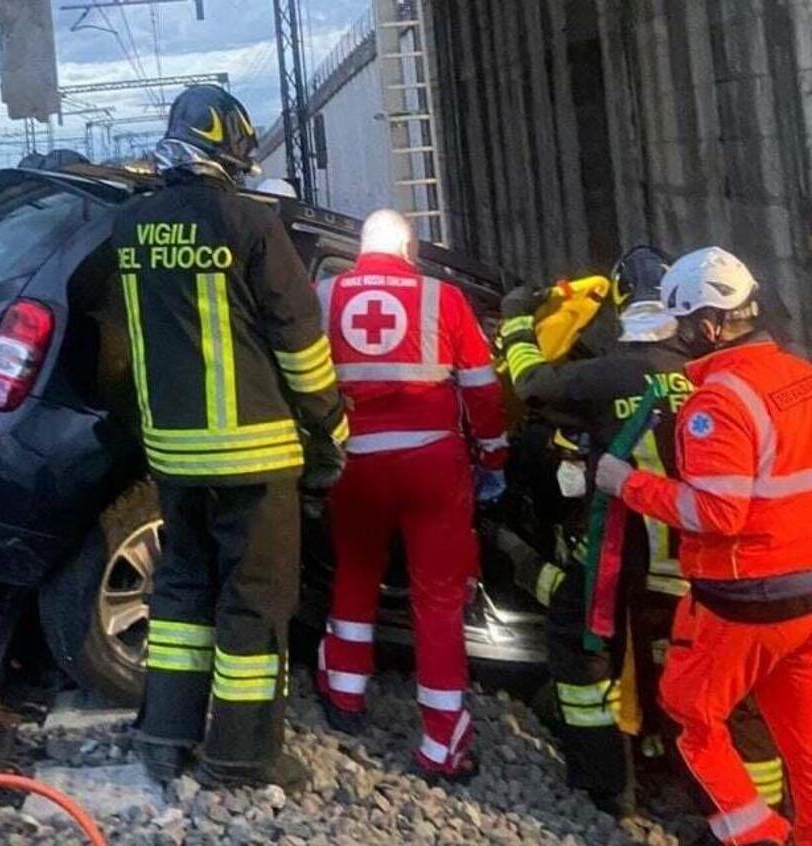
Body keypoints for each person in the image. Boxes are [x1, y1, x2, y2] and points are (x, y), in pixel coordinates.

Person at [112, 84, 349, 790]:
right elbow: (300, 342)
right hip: (255, 451)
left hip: (174, 455)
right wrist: (331, 427)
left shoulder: (131, 227)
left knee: (182, 592)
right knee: (254, 599)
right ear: (229, 151)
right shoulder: (249, 223)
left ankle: (164, 735)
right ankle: (243, 756)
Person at [499, 247, 785, 819]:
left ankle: (608, 784)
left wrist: (515, 321)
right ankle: (761, 807)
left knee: (583, 655)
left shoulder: (608, 374)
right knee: (735, 696)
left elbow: (531, 385)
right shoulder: (713, 377)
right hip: (715, 567)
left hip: (624, 562)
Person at [596, 247, 812, 845]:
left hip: (743, 596)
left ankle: (757, 835)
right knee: (801, 732)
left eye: (686, 324)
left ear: (710, 325)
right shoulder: (801, 377)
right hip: (805, 593)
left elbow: (716, 511)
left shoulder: (717, 402)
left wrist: (628, 483)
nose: (682, 336)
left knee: (692, 713)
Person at [314, 209, 507, 781]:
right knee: (439, 599)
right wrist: (493, 452)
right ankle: (441, 739)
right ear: (409, 250)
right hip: (431, 463)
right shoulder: (441, 297)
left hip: (355, 463)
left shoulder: (324, 295)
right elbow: (480, 384)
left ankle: (344, 693)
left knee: (354, 572)